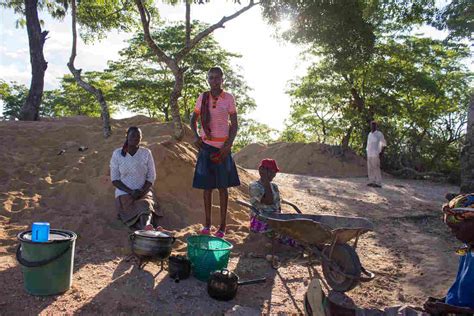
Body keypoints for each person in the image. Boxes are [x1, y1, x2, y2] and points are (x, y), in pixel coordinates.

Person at [190, 66, 240, 238]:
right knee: (207, 188)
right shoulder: (202, 97)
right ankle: (207, 225)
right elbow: (193, 119)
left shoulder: (229, 98)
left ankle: (222, 227)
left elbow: (234, 124)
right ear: (208, 80)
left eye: (217, 77)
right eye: (211, 78)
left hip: (223, 149)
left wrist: (228, 145)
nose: (214, 81)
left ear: (222, 79)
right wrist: (196, 136)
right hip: (206, 147)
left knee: (223, 188)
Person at [423, 194, 474, 315]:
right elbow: (463, 291)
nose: (453, 233)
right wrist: (444, 301)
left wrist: (453, 310)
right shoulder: (467, 249)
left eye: (456, 228)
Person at [110, 126, 162, 231]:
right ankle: (145, 229)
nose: (135, 138)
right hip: (124, 192)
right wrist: (130, 192)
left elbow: (151, 176)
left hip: (143, 191)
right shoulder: (117, 154)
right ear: (127, 136)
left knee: (145, 204)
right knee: (129, 209)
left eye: (138, 136)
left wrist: (142, 191)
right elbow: (115, 179)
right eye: (133, 135)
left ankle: (146, 227)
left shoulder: (146, 153)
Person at [248, 158, 296, 246]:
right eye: (270, 171)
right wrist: (266, 180)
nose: (273, 175)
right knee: (289, 237)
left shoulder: (274, 186)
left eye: (274, 172)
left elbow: (278, 206)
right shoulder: (254, 186)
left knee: (296, 232)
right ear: (261, 170)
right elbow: (269, 201)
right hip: (261, 222)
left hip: (275, 219)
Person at [366, 121, 386, 188]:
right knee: (370, 168)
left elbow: (384, 144)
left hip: (375, 154)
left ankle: (378, 183)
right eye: (371, 125)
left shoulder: (379, 134)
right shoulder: (369, 134)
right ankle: (372, 181)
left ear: (376, 126)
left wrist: (381, 153)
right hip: (369, 153)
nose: (373, 127)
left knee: (376, 168)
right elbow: (368, 144)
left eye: (374, 125)